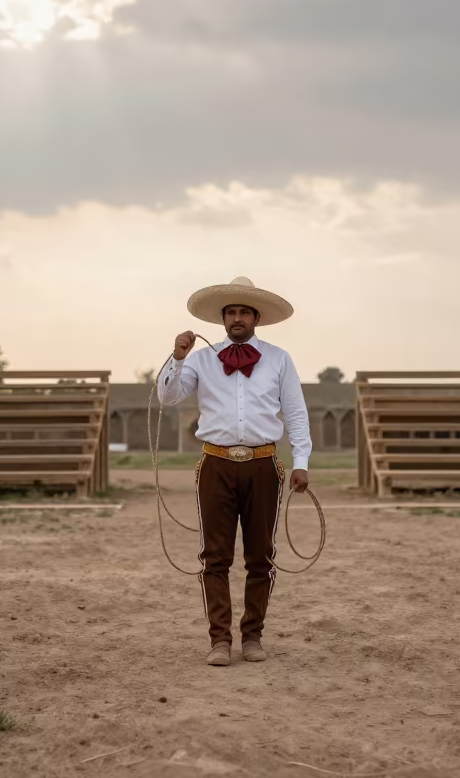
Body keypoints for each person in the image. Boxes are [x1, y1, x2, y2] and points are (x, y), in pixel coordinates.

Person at [158, 276, 311, 667]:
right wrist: (176, 357)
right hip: (216, 464)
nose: (237, 318)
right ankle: (220, 640)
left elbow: (295, 412)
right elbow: (169, 397)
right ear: (223, 319)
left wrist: (301, 462)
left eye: (244, 311)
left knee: (261, 556)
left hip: (263, 464)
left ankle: (253, 636)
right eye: (231, 312)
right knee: (215, 557)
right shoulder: (201, 359)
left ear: (256, 317)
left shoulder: (278, 359)